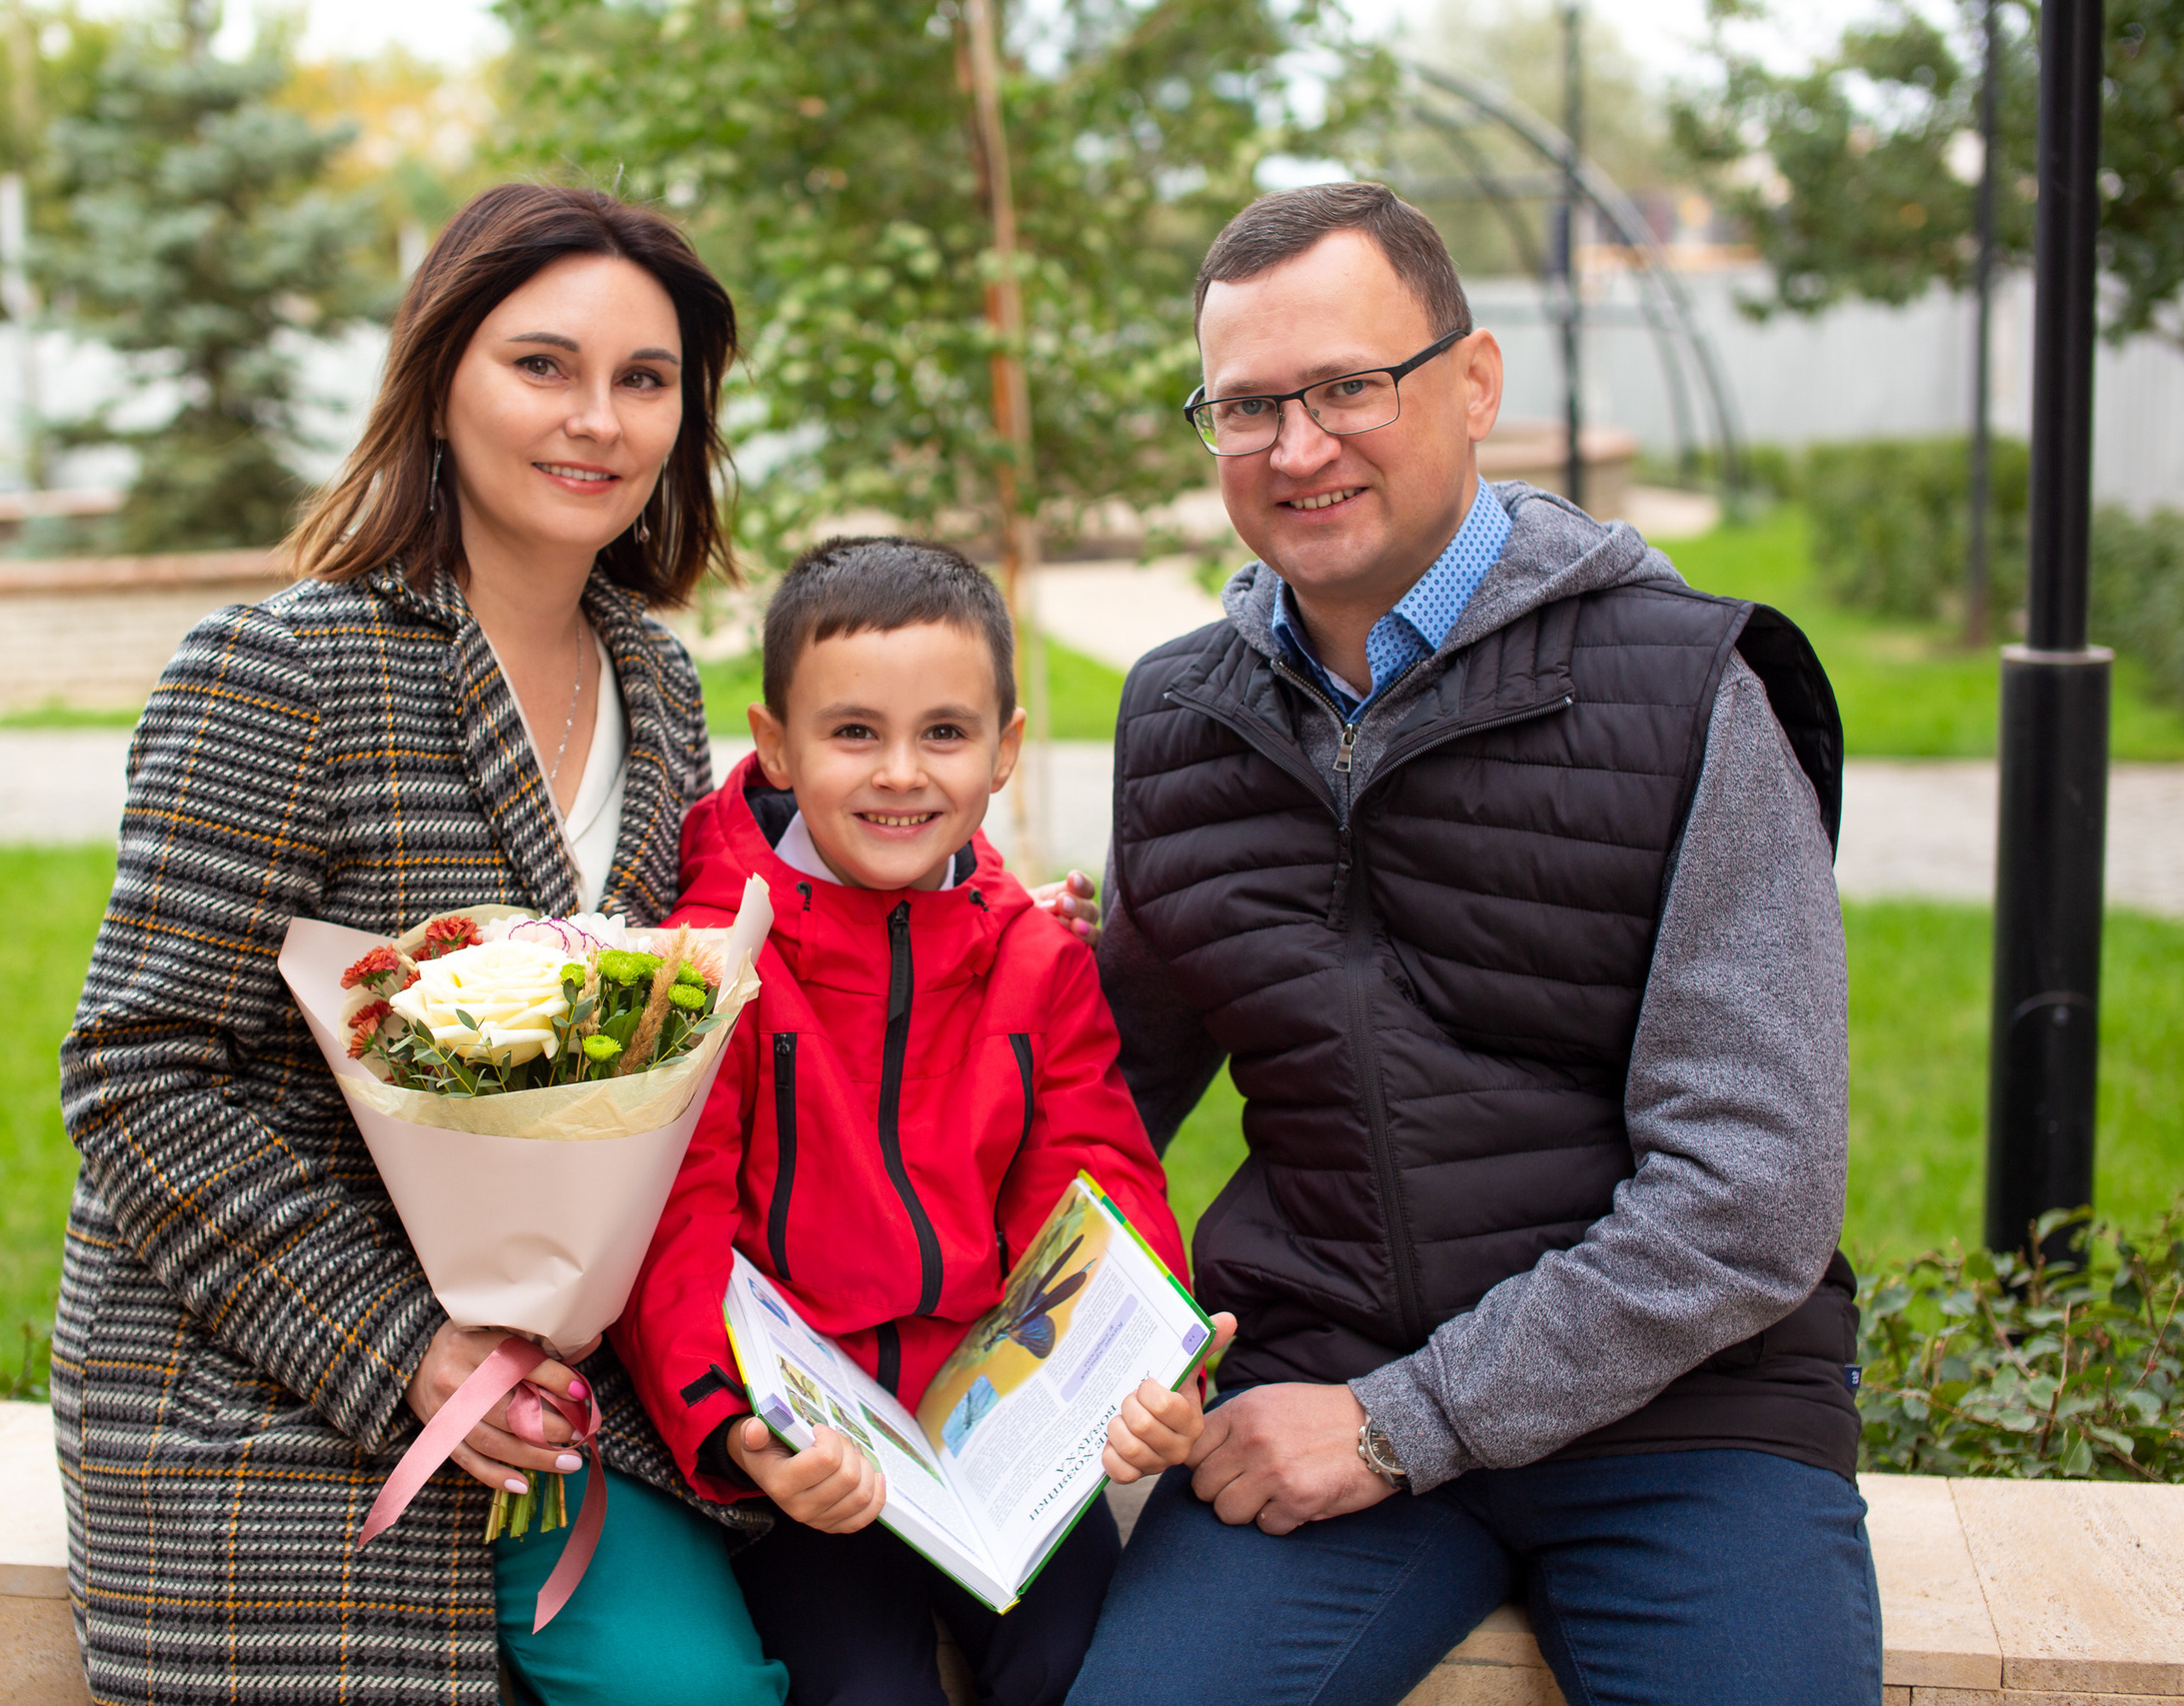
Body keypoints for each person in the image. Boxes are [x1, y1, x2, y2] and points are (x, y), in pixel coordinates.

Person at [1065, 183, 1878, 1706]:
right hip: (1310, 1372)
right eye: (1248, 405)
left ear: (1475, 379)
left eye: (1348, 387)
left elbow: (1752, 1192)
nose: (1299, 446)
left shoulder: (1691, 683)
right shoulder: (1180, 715)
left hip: (1682, 1419)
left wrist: (1398, 1421)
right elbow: (1094, 1092)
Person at [611, 538, 1229, 1706]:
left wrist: (1152, 1363)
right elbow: (673, 1220)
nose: (901, 773)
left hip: (993, 1436)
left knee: (1084, 1665)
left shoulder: (1033, 958)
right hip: (813, 1449)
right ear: (777, 744)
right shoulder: (713, 957)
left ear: (1003, 750)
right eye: (853, 734)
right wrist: (735, 1425)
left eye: (944, 734)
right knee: (863, 1690)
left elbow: (1095, 1179)